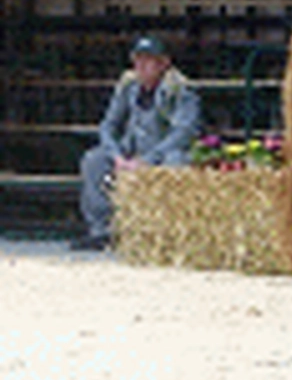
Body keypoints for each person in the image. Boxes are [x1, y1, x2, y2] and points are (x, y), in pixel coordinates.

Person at [73, 34, 201, 250]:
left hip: (162, 152)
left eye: (148, 60)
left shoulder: (180, 90)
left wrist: (148, 160)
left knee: (176, 163)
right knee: (93, 160)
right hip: (131, 150)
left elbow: (183, 132)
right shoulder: (128, 87)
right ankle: (102, 230)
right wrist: (116, 156)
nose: (141, 66)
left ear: (163, 63)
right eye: (137, 60)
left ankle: (167, 232)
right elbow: (108, 125)